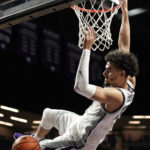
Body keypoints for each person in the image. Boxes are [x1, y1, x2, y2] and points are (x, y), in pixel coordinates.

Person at [14, 0, 139, 149]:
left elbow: (80, 87)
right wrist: (124, 12)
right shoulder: (129, 79)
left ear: (121, 73)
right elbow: (124, 45)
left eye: (109, 70)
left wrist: (87, 49)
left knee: (35, 148)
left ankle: (35, 145)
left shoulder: (116, 96)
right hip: (78, 123)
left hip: (80, 141)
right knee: (47, 114)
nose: (104, 72)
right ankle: (34, 138)